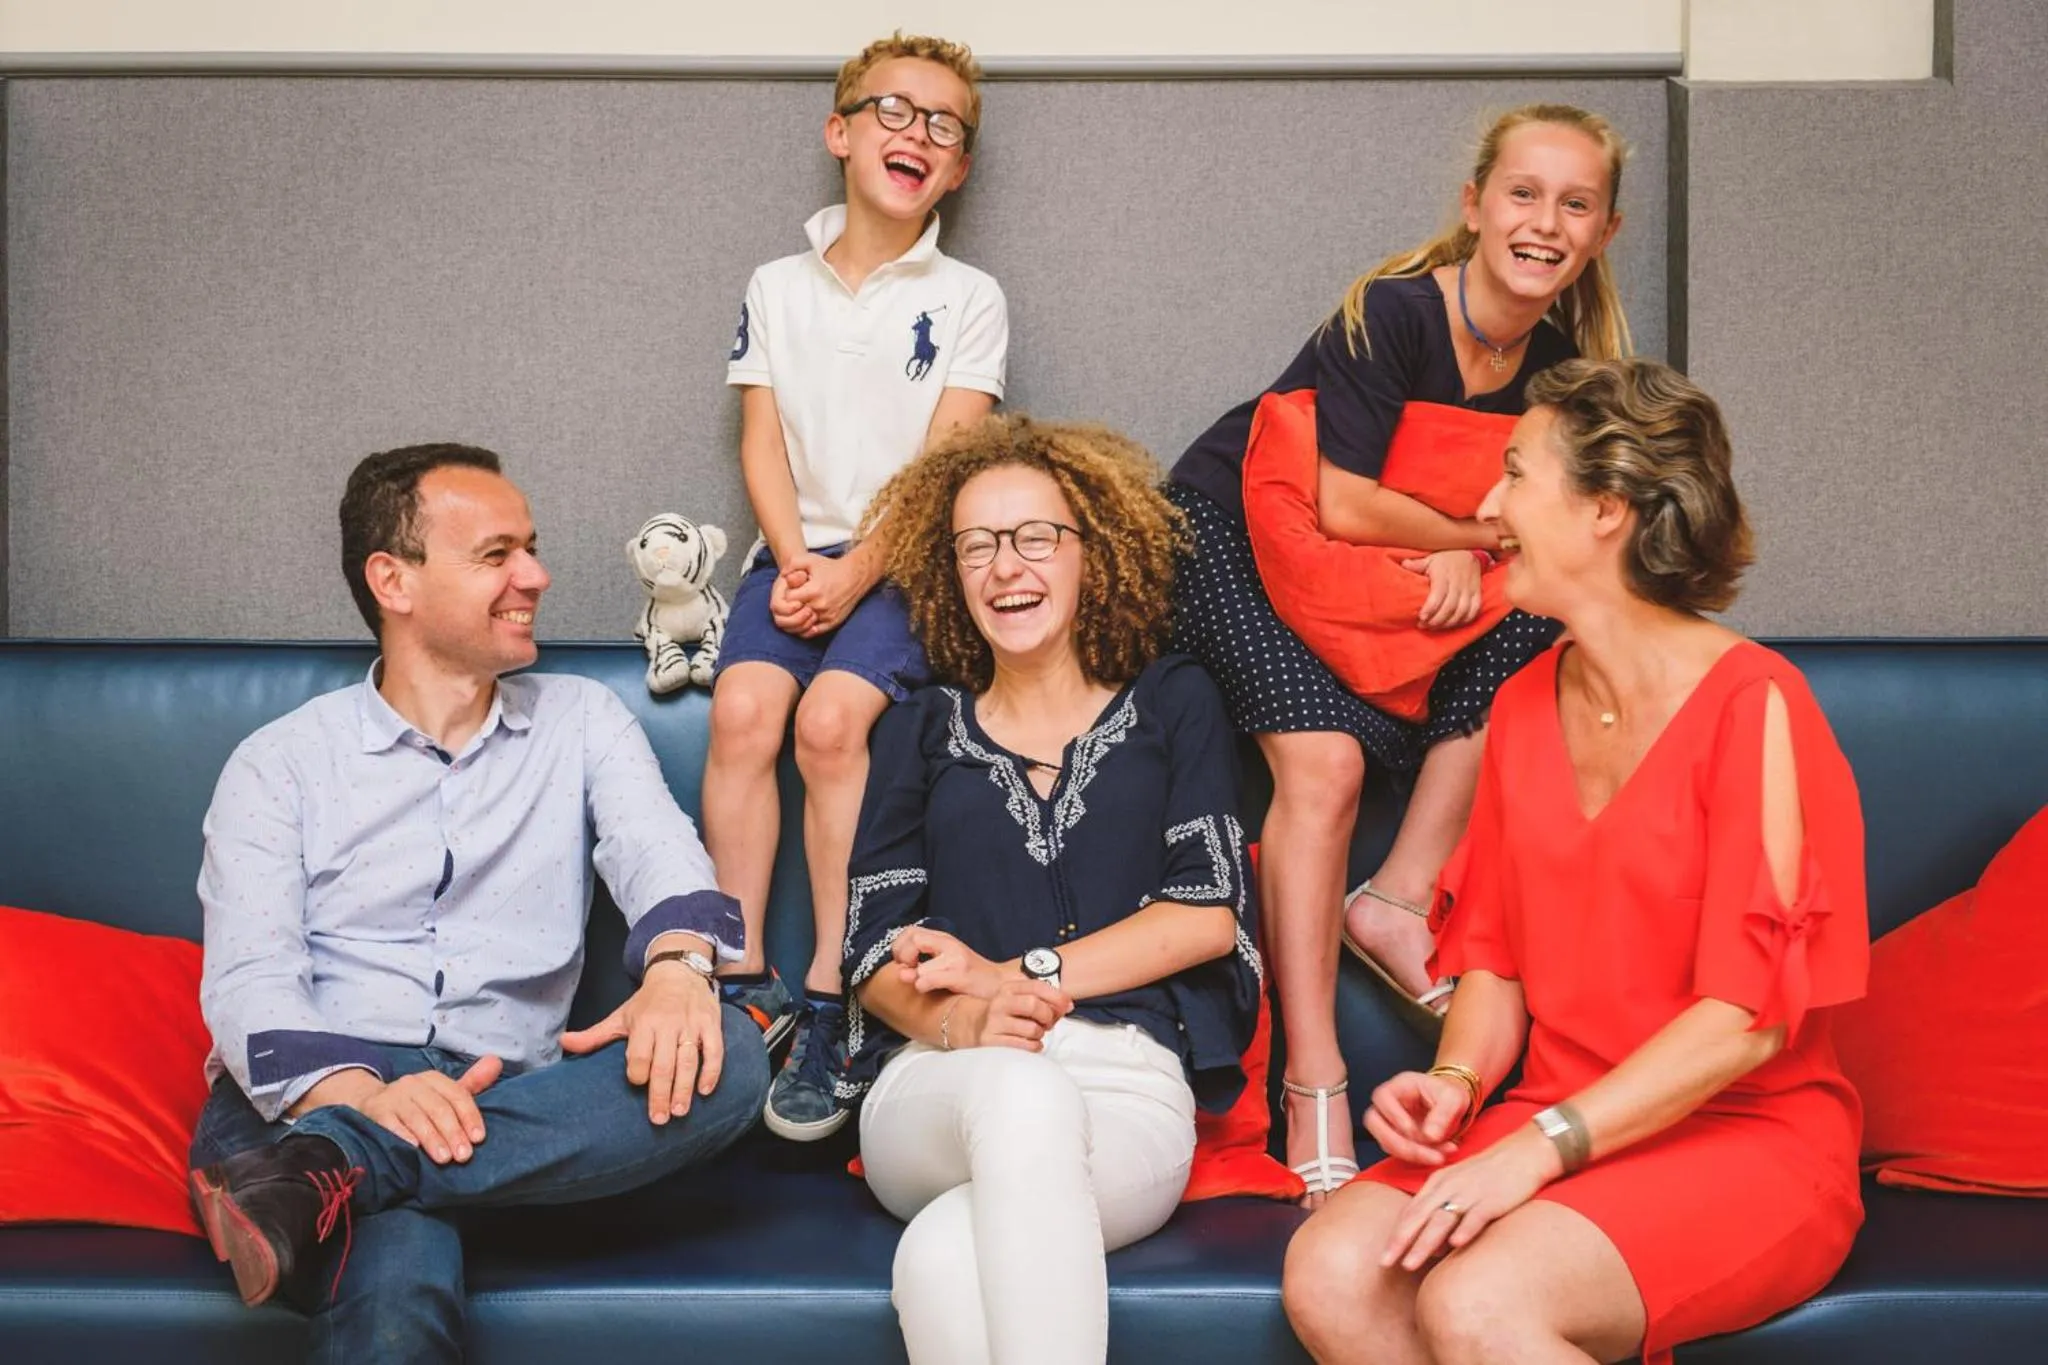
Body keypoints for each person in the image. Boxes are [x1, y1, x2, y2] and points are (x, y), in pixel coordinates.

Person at [1282, 359, 1868, 1365]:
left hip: (1740, 1135)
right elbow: (1495, 964)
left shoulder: (1754, 707)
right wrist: (1457, 1083)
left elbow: (1744, 1024)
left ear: (1605, 508)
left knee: (1477, 1303)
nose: (1484, 504)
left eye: (1513, 474)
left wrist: (1535, 1149)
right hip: (1543, 1115)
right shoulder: (1517, 705)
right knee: (1331, 1273)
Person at [187, 444, 771, 1363]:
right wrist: (364, 1096)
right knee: (399, 1277)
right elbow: (251, 982)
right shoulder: (279, 762)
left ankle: (328, 1173)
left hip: (502, 1100)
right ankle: (344, 1151)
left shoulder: (580, 719)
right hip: (317, 1088)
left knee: (729, 1053)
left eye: (529, 549)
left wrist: (678, 969)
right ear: (395, 580)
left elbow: (661, 854)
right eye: (497, 554)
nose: (535, 576)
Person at [1166, 104, 1631, 1197]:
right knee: (1322, 765)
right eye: (1522, 194)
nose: (1543, 222)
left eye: (1574, 204)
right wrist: (1472, 538)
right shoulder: (1391, 314)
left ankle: (1396, 898)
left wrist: (1486, 549)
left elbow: (1549, 531)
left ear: (1603, 233)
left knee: (1547, 626)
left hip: (1383, 573)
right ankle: (1310, 1078)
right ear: (1473, 208)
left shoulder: (1561, 370)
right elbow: (1335, 499)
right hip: (1235, 534)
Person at [837, 416, 1263, 1365]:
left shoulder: (1174, 698)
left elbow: (1204, 913)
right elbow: (869, 955)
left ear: (1092, 552)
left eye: (1036, 537)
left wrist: (1010, 973)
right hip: (941, 1077)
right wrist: (960, 1015)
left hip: (1126, 1088)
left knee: (944, 1256)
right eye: (976, 545)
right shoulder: (920, 727)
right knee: (1018, 1097)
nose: (1005, 566)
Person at [701, 31, 1010, 1142]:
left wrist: (853, 577)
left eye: (943, 125)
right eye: (892, 111)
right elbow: (759, 442)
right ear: (840, 134)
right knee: (744, 708)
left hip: (901, 568)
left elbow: (943, 465)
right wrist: (795, 564)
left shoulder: (971, 295)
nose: (915, 134)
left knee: (832, 723)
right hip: (792, 563)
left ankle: (834, 998)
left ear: (958, 168)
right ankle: (740, 984)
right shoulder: (774, 285)